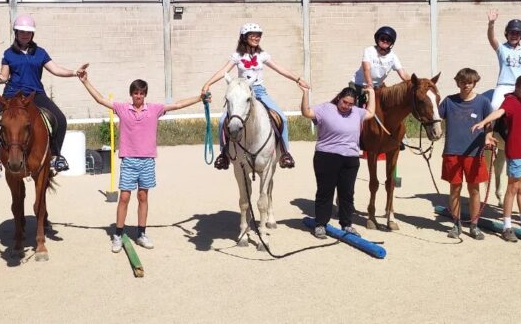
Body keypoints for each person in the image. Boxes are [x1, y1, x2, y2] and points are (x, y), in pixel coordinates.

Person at [78, 71, 201, 252]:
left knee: (143, 196)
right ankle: (118, 234)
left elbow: (177, 105)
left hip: (147, 161)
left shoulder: (154, 109)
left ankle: (141, 233)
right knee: (124, 197)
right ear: (131, 94)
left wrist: (200, 98)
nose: (138, 96)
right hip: (128, 160)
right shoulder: (122, 108)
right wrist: (85, 81)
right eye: (136, 93)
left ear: (145, 95)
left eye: (142, 93)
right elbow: (101, 99)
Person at [0, 14, 88, 178]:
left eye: (28, 32)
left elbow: (56, 69)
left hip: (35, 94)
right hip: (11, 95)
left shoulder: (40, 53)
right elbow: (2, 78)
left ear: (32, 34)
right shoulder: (9, 54)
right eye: (22, 32)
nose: (25, 35)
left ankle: (56, 156)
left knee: (60, 119)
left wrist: (74, 72)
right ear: (16, 33)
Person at [201, 23, 309, 170]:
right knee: (221, 122)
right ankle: (224, 155)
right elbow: (223, 71)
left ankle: (285, 153)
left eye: (258, 35)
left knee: (282, 117)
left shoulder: (262, 55)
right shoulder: (237, 56)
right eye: (253, 35)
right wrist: (208, 84)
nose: (256, 38)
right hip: (242, 93)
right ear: (244, 37)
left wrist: (297, 79)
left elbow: (279, 69)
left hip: (259, 92)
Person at [299, 85, 376, 238]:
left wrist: (372, 93)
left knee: (347, 193)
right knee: (325, 192)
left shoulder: (356, 112)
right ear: (339, 98)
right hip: (327, 157)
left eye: (350, 104)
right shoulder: (326, 108)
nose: (346, 106)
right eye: (344, 102)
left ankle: (346, 224)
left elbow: (371, 113)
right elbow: (306, 112)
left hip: (350, 159)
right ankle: (321, 224)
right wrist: (306, 93)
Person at [471, 74, 521, 242]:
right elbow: (499, 112)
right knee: (512, 189)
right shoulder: (511, 100)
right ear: (516, 87)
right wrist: (483, 122)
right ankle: (507, 226)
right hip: (516, 153)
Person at [438, 68, 494, 240]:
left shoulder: (483, 102)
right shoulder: (449, 101)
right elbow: (434, 116)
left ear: (474, 82)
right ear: (457, 82)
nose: (466, 85)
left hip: (474, 153)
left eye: (469, 82)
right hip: (452, 152)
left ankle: (475, 225)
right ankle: (456, 224)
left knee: (474, 189)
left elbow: (490, 122)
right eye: (462, 82)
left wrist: (488, 136)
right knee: (454, 188)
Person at [486, 10, 521, 109]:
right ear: (507, 33)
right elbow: (491, 38)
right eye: (512, 32)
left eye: (517, 33)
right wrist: (491, 24)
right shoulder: (501, 48)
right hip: (504, 85)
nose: (514, 35)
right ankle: (491, 125)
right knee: (494, 106)